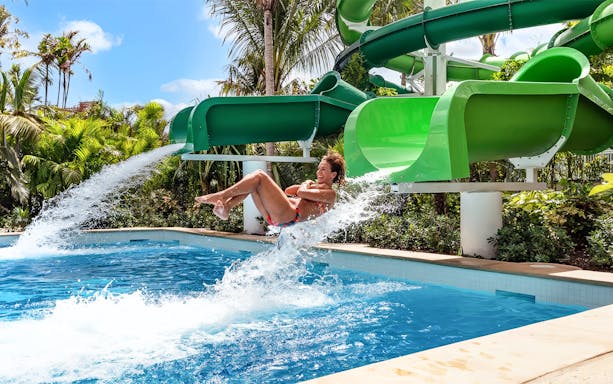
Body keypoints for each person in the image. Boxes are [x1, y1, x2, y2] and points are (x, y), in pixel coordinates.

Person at [195, 151, 346, 227]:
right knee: (252, 183)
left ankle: (221, 196)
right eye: (318, 169)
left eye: (323, 170)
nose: (318, 173)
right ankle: (227, 206)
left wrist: (306, 184)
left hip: (291, 215)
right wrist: (309, 184)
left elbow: (300, 192)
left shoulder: (330, 195)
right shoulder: (316, 188)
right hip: (277, 217)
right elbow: (288, 191)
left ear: (333, 174)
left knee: (259, 176)